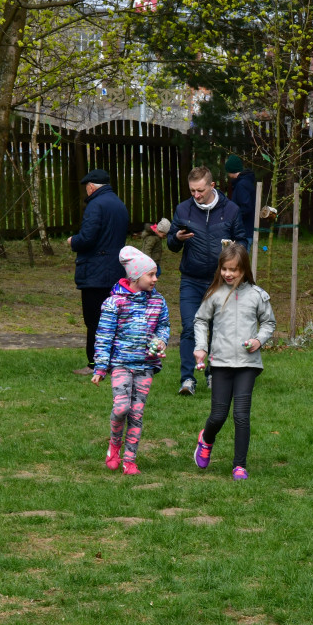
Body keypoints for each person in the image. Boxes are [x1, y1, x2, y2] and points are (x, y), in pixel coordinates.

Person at [192, 244, 276, 481]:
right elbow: (200, 320)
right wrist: (201, 347)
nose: (228, 274)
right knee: (218, 415)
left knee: (241, 415)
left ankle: (239, 465)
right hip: (220, 363)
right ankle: (206, 439)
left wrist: (259, 340)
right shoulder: (214, 295)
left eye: (233, 270)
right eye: (224, 269)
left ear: (244, 270)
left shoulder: (257, 295)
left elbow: (269, 323)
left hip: (248, 365)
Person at [167, 166, 248, 396]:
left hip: (220, 282)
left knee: (218, 329)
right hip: (191, 280)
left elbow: (243, 241)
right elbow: (171, 244)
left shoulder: (230, 210)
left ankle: (213, 375)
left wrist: (234, 248)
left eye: (200, 190)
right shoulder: (183, 209)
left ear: (212, 186)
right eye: (192, 191)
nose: (196, 195)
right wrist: (178, 238)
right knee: (189, 328)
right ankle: (187, 379)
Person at [92, 246, 170, 476]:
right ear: (136, 276)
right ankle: (114, 444)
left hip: (146, 366)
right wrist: (100, 367)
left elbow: (164, 326)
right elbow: (104, 336)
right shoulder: (115, 303)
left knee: (136, 413)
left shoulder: (158, 301)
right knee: (121, 408)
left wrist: (161, 340)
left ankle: (130, 460)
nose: (155, 279)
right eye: (151, 274)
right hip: (121, 365)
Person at [67, 169, 130, 375]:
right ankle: (114, 362)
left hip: (95, 272)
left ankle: (94, 364)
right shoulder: (119, 204)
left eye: (86, 188)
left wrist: (72, 241)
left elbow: (87, 238)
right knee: (113, 318)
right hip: (116, 271)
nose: (86, 192)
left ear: (91, 187)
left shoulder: (95, 205)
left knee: (94, 320)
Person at [225, 155, 256, 250]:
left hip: (244, 232)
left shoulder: (241, 185)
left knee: (239, 262)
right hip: (244, 230)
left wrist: (233, 217)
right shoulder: (245, 182)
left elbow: (246, 208)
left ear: (231, 170)